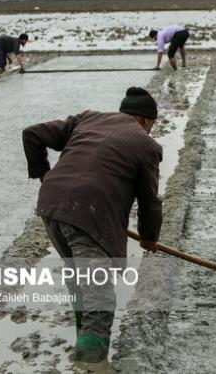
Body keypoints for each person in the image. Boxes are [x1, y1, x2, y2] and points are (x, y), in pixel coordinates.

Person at [22, 87, 162, 363]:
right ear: (146, 121)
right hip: (89, 216)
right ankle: (90, 364)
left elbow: (32, 134)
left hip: (51, 207)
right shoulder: (146, 145)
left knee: (80, 279)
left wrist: (44, 176)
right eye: (152, 126)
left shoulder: (87, 118)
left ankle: (83, 345)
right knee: (99, 298)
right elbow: (149, 202)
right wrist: (149, 238)